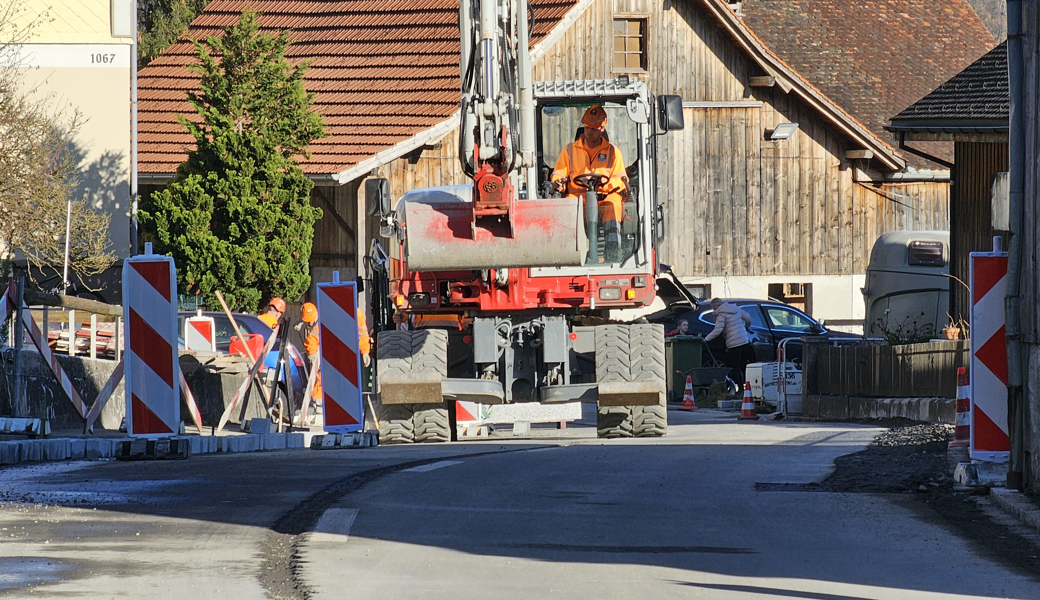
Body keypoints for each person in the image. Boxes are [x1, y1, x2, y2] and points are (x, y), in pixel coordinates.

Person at [550, 105, 628, 263]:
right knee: (568, 205)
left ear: (602, 128)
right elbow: (559, 173)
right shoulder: (570, 150)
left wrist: (600, 183)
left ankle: (612, 251)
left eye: (593, 128)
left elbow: (621, 179)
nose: (589, 131)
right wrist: (557, 182)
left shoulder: (613, 152)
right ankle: (570, 252)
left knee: (614, 203)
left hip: (603, 198)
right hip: (579, 198)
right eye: (586, 127)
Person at [704, 298, 755, 386]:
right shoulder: (736, 309)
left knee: (735, 367)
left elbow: (718, 330)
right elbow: (748, 318)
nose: (714, 310)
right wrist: (746, 328)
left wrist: (706, 339)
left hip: (734, 343)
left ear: (715, 306)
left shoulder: (721, 314)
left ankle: (740, 389)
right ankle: (749, 387)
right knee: (744, 365)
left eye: (713, 308)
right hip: (744, 340)